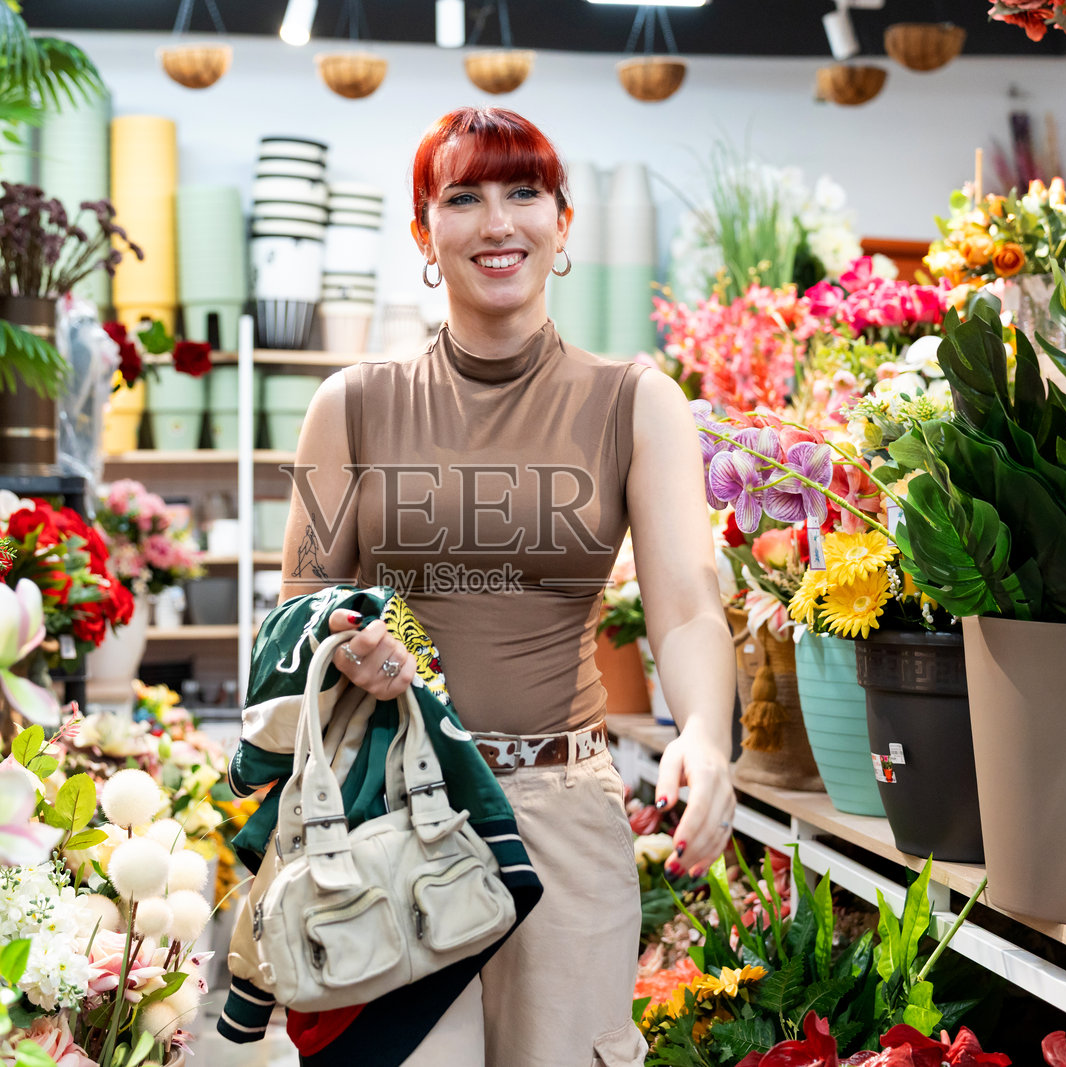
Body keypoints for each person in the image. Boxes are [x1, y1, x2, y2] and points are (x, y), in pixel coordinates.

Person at [278, 106, 737, 1067]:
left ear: (563, 223)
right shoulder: (353, 405)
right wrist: (346, 640)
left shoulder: (636, 402)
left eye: (524, 192)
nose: (498, 223)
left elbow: (688, 602)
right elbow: (300, 602)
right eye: (464, 197)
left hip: (563, 813)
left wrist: (703, 732)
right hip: (389, 814)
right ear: (423, 233)